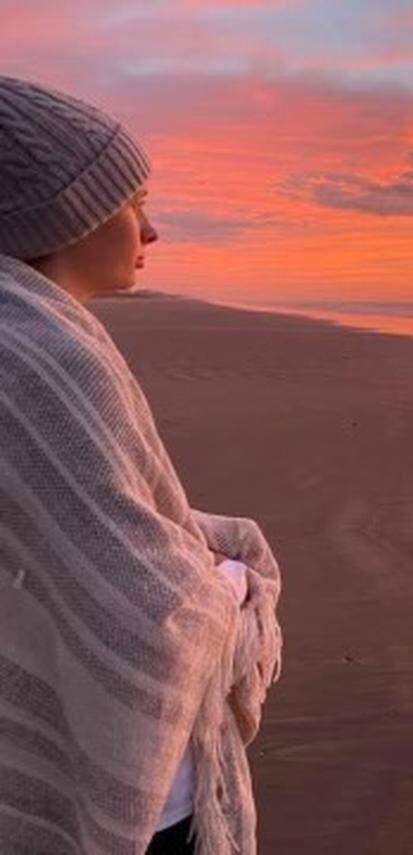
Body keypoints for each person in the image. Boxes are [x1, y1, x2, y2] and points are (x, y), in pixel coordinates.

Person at [0, 75, 283, 854]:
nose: (150, 230)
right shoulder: (45, 356)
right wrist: (234, 582)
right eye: (134, 203)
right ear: (67, 214)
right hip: (148, 793)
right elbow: (144, 607)